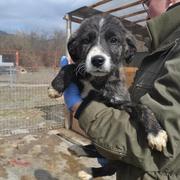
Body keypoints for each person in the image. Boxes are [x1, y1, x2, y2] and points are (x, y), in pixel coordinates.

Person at [63, 0, 180, 179]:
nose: (147, 8)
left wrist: (80, 107)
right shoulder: (161, 46)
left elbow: (170, 148)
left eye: (148, 1)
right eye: (87, 41)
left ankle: (96, 163)